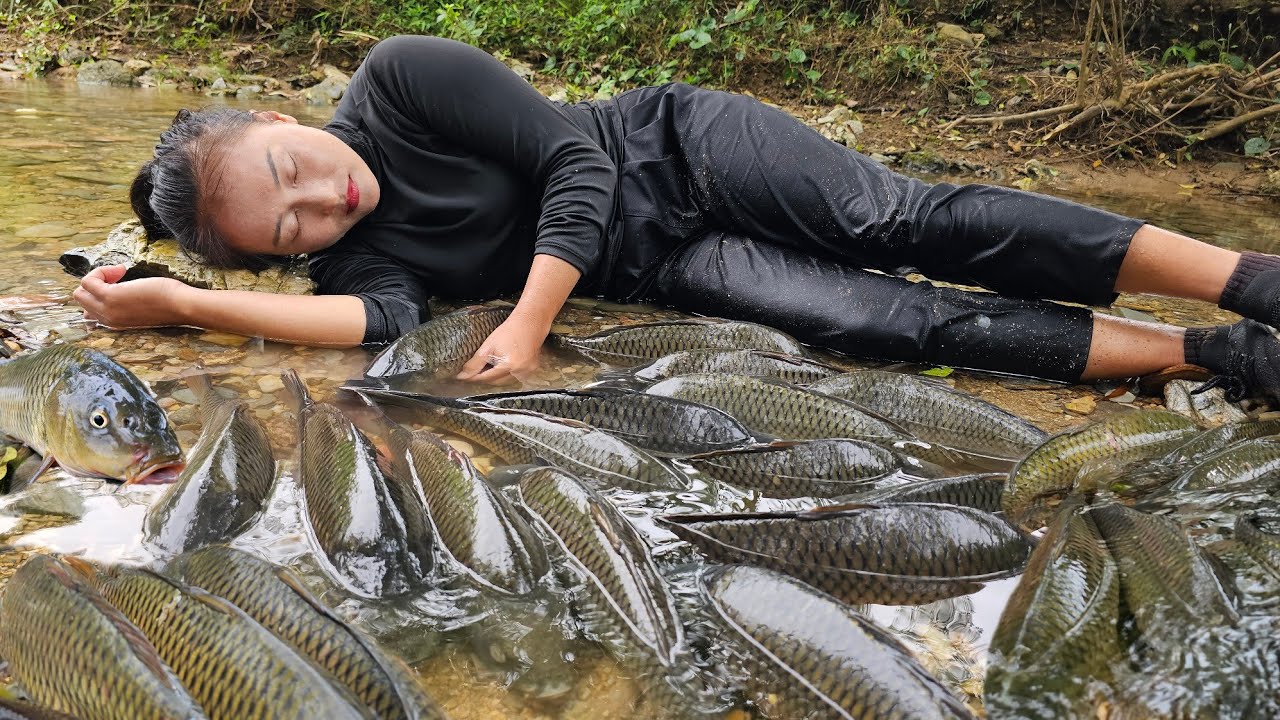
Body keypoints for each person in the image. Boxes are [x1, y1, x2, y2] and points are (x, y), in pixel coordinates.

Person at [73, 34, 1280, 399]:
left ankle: (1243, 279)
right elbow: (372, 324)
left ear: (289, 113)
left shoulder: (398, 82)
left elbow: (571, 171)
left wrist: (533, 319)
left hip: (681, 150)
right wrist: (178, 301)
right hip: (676, 260)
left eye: (292, 166)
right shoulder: (362, 251)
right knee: (890, 327)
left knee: (903, 221)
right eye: (286, 232)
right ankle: (1213, 357)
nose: (319, 199)